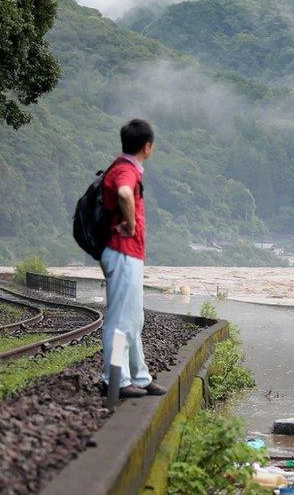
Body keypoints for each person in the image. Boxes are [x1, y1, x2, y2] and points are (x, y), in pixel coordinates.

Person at [100, 119, 166, 398]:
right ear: (147, 147)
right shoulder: (125, 170)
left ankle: (139, 377)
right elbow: (125, 192)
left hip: (129, 254)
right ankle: (114, 380)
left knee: (133, 319)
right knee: (120, 321)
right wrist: (131, 224)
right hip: (122, 252)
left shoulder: (125, 167)